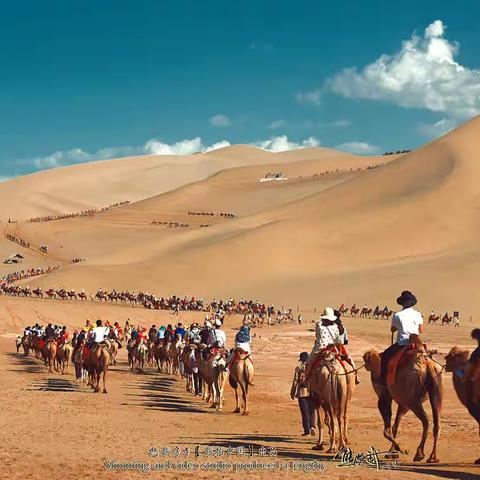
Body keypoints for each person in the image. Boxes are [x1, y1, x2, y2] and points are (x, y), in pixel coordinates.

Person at [380, 291, 423, 383]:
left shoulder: (397, 315)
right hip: (416, 344)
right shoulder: (418, 314)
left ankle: (384, 382)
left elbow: (392, 329)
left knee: (385, 357)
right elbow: (421, 330)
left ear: (402, 303)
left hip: (402, 344)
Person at [290, 352, 316, 437]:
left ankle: (307, 431)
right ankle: (312, 426)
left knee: (304, 412)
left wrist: (292, 392)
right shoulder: (312, 368)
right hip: (312, 392)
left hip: (302, 392)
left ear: (301, 360)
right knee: (312, 411)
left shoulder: (298, 368)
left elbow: (295, 381)